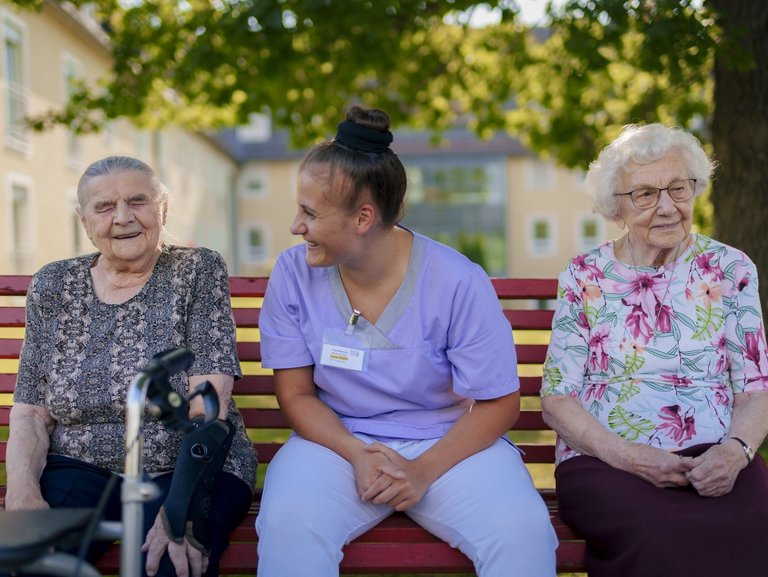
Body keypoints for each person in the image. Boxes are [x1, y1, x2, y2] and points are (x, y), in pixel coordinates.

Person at [255, 106, 558, 577]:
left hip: (449, 445)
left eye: (310, 213)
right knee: (289, 525)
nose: (296, 226)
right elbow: (295, 394)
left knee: (523, 533)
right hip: (336, 444)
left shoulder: (457, 281)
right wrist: (356, 453)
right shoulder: (293, 275)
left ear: (363, 217)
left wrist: (422, 471)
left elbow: (500, 403)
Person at [5, 156, 257, 577]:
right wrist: (22, 491)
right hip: (80, 465)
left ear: (163, 210)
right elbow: (31, 411)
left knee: (169, 564)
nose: (123, 218)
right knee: (25, 563)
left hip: (185, 465)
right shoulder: (53, 284)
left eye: (138, 201)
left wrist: (181, 510)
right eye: (104, 207)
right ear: (85, 221)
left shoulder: (196, 270)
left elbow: (206, 409)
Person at [541, 123, 768, 577]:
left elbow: (755, 389)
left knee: (752, 524)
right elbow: (557, 398)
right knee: (657, 533)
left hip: (714, 456)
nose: (667, 207)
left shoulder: (730, 267)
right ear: (616, 208)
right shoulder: (585, 275)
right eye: (645, 194)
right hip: (606, 461)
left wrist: (735, 452)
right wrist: (630, 457)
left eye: (678, 189)